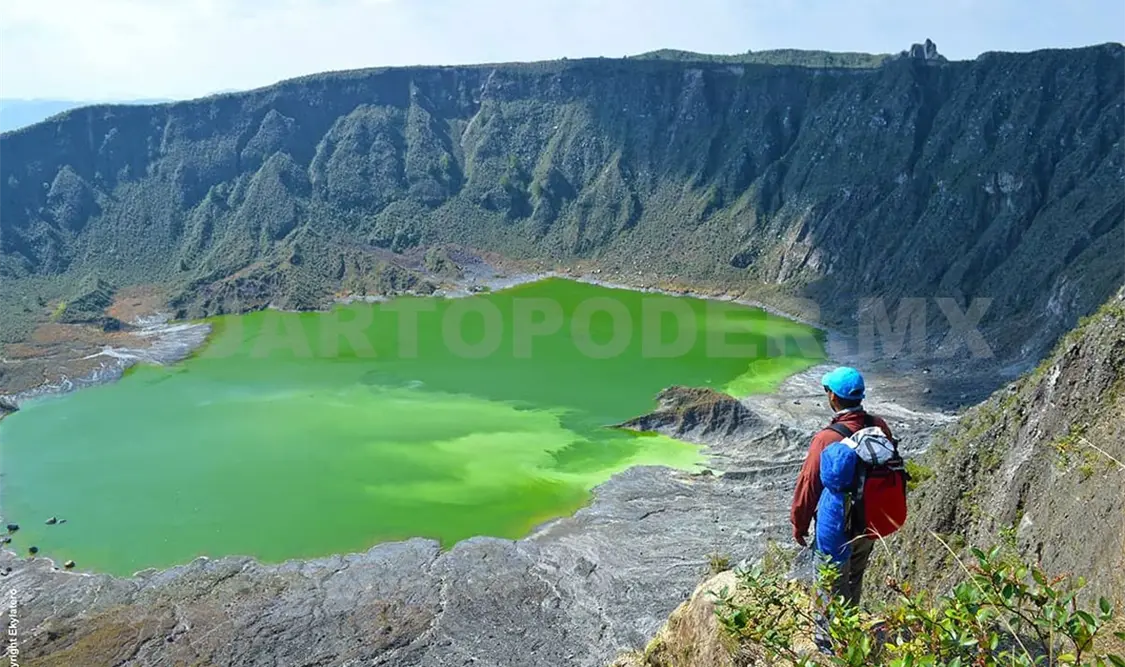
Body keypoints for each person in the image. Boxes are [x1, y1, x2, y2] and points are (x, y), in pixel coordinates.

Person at [790, 366, 894, 607]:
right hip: (869, 523)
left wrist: (799, 524)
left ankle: (829, 643)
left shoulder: (827, 438)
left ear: (833, 397)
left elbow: (809, 485)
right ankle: (852, 638)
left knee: (829, 588)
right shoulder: (878, 426)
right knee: (853, 580)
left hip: (836, 527)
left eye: (827, 390)